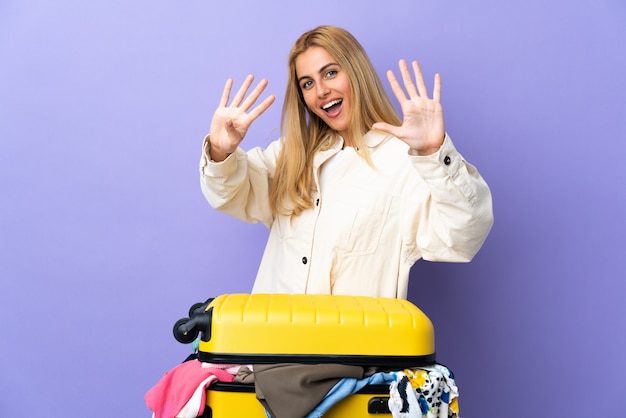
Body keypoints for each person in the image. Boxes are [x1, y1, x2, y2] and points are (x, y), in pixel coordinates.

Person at [199, 25, 493, 299]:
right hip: (273, 350)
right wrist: (220, 152)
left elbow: (463, 236)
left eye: (330, 73)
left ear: (356, 73)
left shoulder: (404, 162)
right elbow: (230, 194)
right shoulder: (290, 156)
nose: (321, 91)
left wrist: (434, 151)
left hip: (350, 352)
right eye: (307, 83)